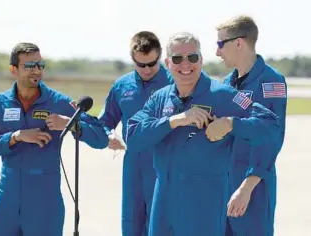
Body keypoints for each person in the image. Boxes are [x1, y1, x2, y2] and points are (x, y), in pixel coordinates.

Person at [126, 32, 281, 236]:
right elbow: (133, 135)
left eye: (192, 57)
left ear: (201, 59)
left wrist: (230, 124)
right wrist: (175, 121)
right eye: (177, 58)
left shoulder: (225, 96)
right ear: (167, 63)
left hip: (204, 201)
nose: (185, 64)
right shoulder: (160, 99)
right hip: (163, 198)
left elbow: (270, 126)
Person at [0, 42, 109, 236]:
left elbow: (101, 138)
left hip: (45, 203)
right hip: (7, 200)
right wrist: (15, 136)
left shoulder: (59, 102)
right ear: (13, 69)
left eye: (40, 65)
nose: (36, 70)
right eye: (29, 66)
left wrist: (71, 124)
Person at [215, 15, 287, 236]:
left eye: (220, 44)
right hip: (225, 184)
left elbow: (272, 138)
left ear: (238, 43)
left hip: (253, 187)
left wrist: (246, 188)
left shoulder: (271, 82)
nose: (217, 52)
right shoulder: (227, 83)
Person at [97, 31, 173, 236]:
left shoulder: (175, 83)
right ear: (132, 59)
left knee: (163, 223)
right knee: (132, 221)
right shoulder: (121, 86)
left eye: (152, 63)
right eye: (141, 65)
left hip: (166, 163)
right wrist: (108, 135)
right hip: (134, 164)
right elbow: (105, 121)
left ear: (161, 56)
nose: (147, 70)